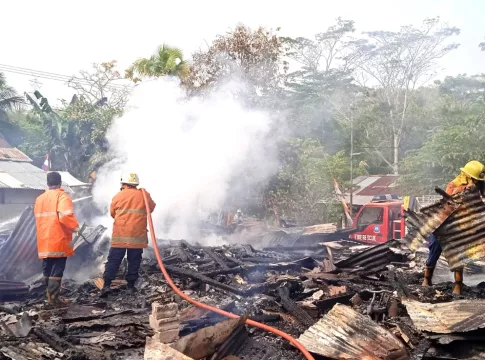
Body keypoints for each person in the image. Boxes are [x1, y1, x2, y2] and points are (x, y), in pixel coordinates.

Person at [422, 160, 485, 295]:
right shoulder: (453, 185)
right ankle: (426, 279)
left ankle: (458, 285)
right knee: (434, 250)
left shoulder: (480, 187)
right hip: (443, 225)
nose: (477, 182)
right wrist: (464, 190)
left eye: (478, 180)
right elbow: (449, 200)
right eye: (475, 179)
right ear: (467, 176)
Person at [100, 172, 156, 297]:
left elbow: (112, 213)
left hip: (120, 235)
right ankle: (130, 286)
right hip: (137, 236)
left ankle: (106, 285)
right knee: (134, 260)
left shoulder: (118, 196)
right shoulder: (143, 195)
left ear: (123, 183)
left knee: (114, 260)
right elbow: (151, 208)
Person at [34, 171, 80, 304]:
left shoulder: (39, 199)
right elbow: (65, 216)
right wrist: (76, 227)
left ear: (47, 183)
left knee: (47, 269)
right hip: (58, 240)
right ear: (60, 183)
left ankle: (49, 297)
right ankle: (53, 300)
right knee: (56, 270)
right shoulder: (62, 196)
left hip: (44, 241)